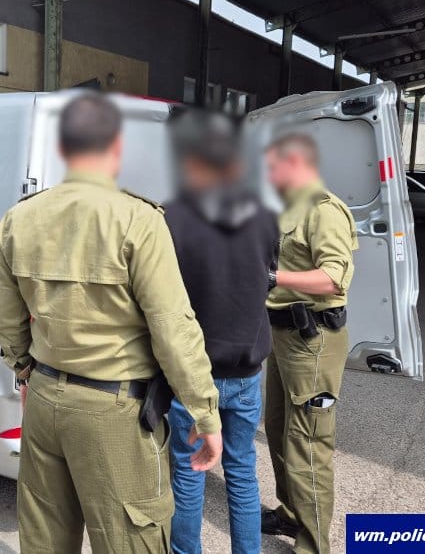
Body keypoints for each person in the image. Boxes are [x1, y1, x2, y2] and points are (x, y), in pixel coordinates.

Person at [0, 92, 223, 553]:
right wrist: (205, 412)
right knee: (130, 542)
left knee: (43, 541)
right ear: (117, 147)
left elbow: (8, 323)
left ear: (63, 148)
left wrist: (25, 374)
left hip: (44, 401)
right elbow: (173, 330)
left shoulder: (18, 219)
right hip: (114, 414)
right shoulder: (138, 220)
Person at [164, 110, 279, 554]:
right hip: (247, 370)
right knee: (242, 471)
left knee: (189, 471)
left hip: (193, 373)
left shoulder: (173, 215)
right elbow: (268, 273)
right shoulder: (265, 212)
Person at [261, 133, 358, 554]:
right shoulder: (289, 206)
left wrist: (272, 278)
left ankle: (313, 545)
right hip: (282, 337)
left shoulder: (323, 210)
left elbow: (333, 277)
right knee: (279, 430)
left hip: (312, 340)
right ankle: (292, 513)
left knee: (308, 444)